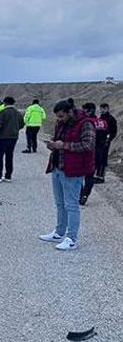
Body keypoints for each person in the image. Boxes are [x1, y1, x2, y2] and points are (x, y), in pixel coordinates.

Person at [41, 100, 96, 250]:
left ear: (70, 112)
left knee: (71, 205)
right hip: (58, 167)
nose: (59, 119)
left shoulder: (86, 124)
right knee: (60, 203)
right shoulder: (61, 123)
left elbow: (88, 145)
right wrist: (52, 144)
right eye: (57, 117)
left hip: (73, 170)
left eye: (61, 116)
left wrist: (64, 146)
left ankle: (71, 239)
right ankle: (59, 232)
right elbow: (59, 139)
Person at [0, 97, 23, 183]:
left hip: (2, 137)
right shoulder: (18, 113)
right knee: (9, 156)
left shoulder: (3, 112)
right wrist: (14, 130)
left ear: (5, 103)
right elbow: (22, 124)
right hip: (14, 137)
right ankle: (8, 176)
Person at [79, 103, 100, 205]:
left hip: (86, 152)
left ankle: (81, 194)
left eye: (84, 110)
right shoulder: (101, 122)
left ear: (90, 110)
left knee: (79, 175)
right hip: (98, 151)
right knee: (89, 175)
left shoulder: (84, 123)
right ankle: (85, 195)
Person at [95, 103, 118, 182]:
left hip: (105, 142)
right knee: (98, 158)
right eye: (101, 109)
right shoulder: (100, 118)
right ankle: (97, 175)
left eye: (104, 109)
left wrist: (108, 139)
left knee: (103, 159)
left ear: (107, 109)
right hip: (98, 142)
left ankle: (101, 177)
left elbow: (114, 132)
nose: (102, 110)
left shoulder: (111, 119)